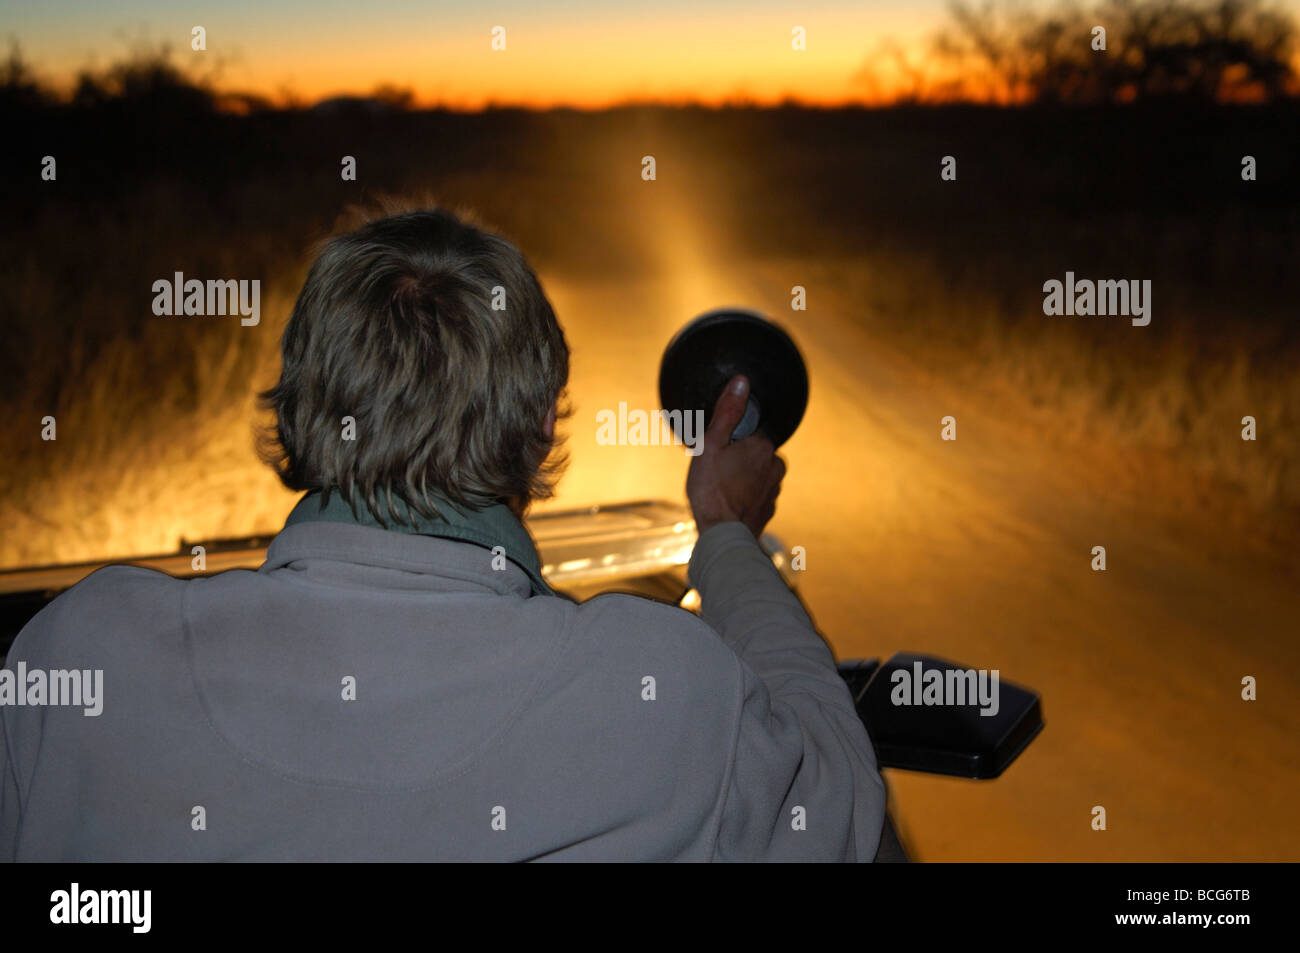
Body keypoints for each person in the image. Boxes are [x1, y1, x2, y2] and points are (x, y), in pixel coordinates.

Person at [0, 208, 885, 861]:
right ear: (542, 425)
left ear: (303, 405)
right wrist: (726, 533)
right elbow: (843, 810)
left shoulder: (80, 657)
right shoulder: (666, 691)